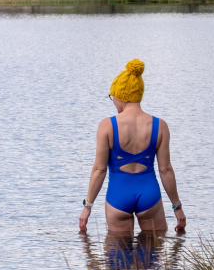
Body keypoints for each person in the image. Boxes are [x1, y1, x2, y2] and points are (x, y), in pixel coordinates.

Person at [79, 59, 185, 237]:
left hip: (118, 196)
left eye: (113, 97)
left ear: (120, 95)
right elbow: (166, 170)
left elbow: (99, 169)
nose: (113, 102)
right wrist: (177, 208)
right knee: (155, 256)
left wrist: (87, 207)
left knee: (117, 262)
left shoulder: (107, 126)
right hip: (149, 195)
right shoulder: (160, 126)